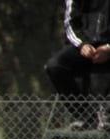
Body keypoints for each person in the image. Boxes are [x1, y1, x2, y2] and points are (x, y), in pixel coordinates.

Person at [45, 0, 110, 129]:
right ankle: (85, 115)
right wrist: (82, 44)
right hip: (85, 46)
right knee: (55, 66)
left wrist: (108, 48)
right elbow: (70, 23)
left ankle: (108, 112)